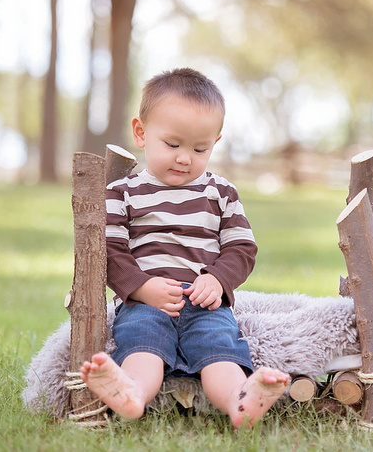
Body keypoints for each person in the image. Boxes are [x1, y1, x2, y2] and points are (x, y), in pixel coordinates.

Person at [80, 68, 290, 428]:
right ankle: (130, 393)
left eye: (199, 149)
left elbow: (241, 247)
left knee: (220, 351)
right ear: (141, 133)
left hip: (205, 302)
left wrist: (219, 280)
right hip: (145, 302)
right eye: (172, 145)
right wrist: (142, 288)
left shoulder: (220, 193)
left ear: (215, 142)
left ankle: (242, 400)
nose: (184, 158)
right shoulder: (123, 193)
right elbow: (110, 251)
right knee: (143, 346)